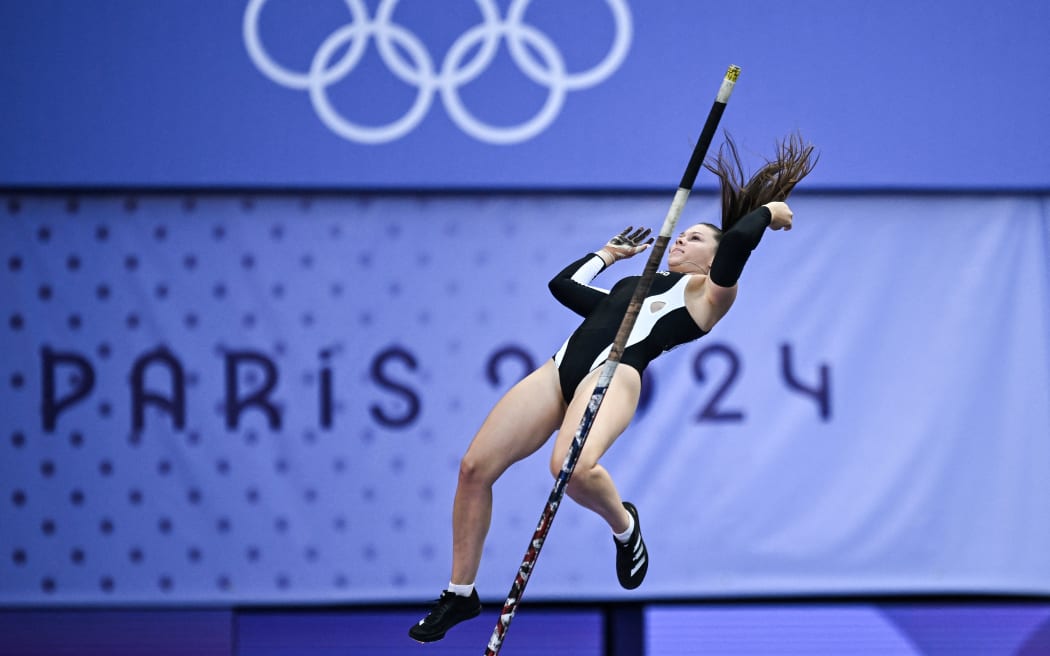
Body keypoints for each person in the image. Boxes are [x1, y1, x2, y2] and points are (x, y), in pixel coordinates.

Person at [409, 134, 817, 643]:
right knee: (474, 468)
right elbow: (564, 286)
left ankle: (625, 526)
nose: (681, 241)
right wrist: (607, 254)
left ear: (712, 259)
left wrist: (772, 211)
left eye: (695, 238)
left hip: (615, 375)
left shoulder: (710, 297)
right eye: (681, 234)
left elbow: (737, 243)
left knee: (570, 467)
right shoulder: (632, 288)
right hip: (559, 370)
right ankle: (460, 592)